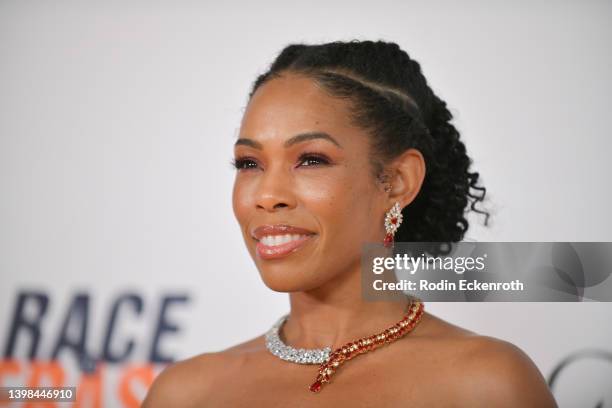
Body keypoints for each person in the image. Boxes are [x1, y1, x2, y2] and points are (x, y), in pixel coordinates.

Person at [143, 40, 557, 407]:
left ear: (397, 182)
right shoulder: (185, 393)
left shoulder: (488, 384)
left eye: (311, 160)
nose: (266, 196)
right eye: (249, 163)